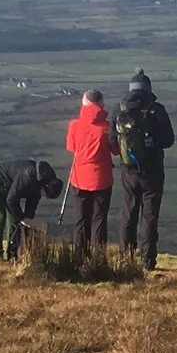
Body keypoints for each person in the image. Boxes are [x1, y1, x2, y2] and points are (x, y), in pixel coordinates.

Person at [112, 71, 176, 270]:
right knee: (149, 216)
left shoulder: (119, 109)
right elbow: (168, 141)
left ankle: (126, 258)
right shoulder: (156, 110)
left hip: (129, 171)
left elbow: (112, 142)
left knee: (128, 213)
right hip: (153, 171)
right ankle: (148, 261)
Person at [0, 159, 65, 261]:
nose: (45, 197)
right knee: (0, 217)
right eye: (46, 195)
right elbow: (11, 200)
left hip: (9, 188)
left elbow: (31, 205)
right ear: (45, 187)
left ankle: (12, 254)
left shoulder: (40, 181)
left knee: (14, 220)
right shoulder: (28, 176)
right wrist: (22, 218)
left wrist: (27, 221)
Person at [64, 91, 114, 247]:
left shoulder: (74, 125)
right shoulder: (107, 127)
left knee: (81, 218)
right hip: (102, 179)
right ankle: (97, 258)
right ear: (101, 104)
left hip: (79, 178)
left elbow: (71, 147)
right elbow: (116, 150)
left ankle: (79, 255)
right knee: (99, 219)